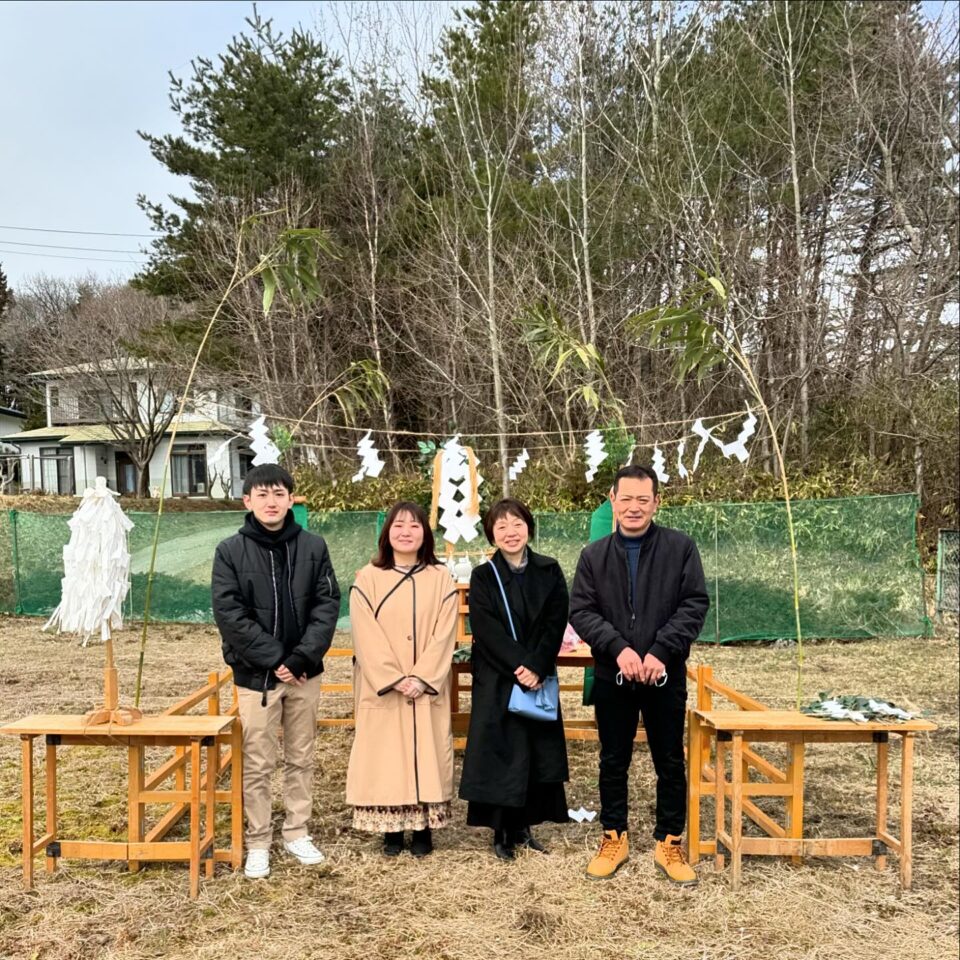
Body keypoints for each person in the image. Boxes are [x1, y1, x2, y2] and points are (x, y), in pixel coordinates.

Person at [569, 464, 708, 884]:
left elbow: (694, 604)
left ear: (656, 503)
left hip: (664, 675)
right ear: (613, 501)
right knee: (614, 759)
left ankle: (670, 841)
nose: (634, 507)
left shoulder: (680, 548)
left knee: (670, 759)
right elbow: (582, 611)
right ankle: (614, 837)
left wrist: (661, 650)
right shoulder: (593, 557)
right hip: (615, 675)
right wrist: (619, 648)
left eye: (642, 500)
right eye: (626, 499)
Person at [211, 464, 340, 880]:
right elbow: (230, 613)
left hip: (305, 674)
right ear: (247, 501)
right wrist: (274, 658)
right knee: (257, 760)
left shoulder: (314, 547)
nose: (271, 501)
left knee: (302, 755)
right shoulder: (230, 551)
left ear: (291, 500)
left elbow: (326, 605)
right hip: (256, 677)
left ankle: (297, 831)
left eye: (279, 493)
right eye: (262, 494)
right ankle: (258, 841)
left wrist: (301, 658)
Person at [346, 501, 458, 857]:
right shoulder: (368, 578)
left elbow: (445, 634)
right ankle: (391, 829)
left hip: (426, 687)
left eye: (414, 525)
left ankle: (424, 827)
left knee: (426, 751)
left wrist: (422, 676)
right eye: (398, 525)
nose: (406, 532)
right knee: (385, 756)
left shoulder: (441, 578)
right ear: (387, 533)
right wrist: (394, 677)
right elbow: (364, 632)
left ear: (425, 533)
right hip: (384, 688)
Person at [459, 498, 570, 860]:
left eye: (517, 523)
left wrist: (537, 664)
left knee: (535, 750)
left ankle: (524, 826)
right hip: (499, 677)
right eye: (501, 525)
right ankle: (501, 830)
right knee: (501, 750)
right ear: (491, 532)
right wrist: (521, 666)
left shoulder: (549, 570)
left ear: (529, 527)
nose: (510, 531)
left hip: (537, 675)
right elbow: (486, 629)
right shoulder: (483, 575)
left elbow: (556, 621)